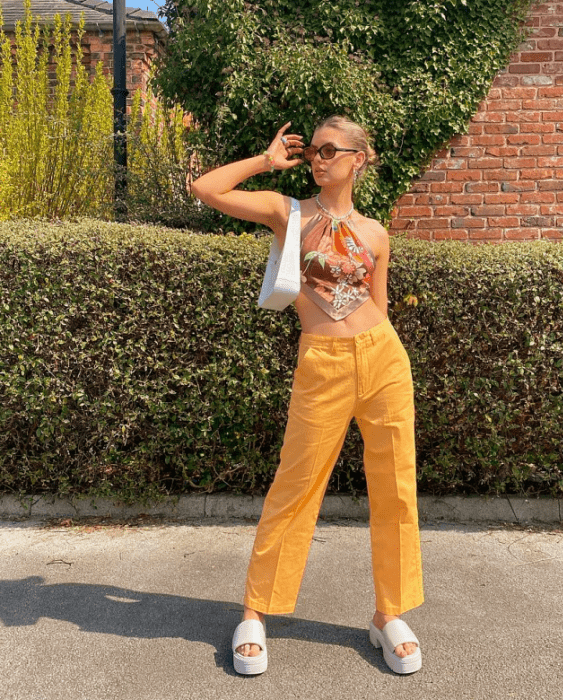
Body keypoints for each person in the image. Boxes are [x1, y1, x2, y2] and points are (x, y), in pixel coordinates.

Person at [190, 116, 424, 675]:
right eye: (313, 149)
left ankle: (388, 614)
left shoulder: (376, 234)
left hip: (384, 359)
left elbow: (381, 306)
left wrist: (379, 354)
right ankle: (254, 612)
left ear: (357, 158)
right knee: (294, 487)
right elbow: (206, 189)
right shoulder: (289, 212)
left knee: (395, 488)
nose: (318, 158)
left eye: (329, 149)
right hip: (322, 363)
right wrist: (267, 162)